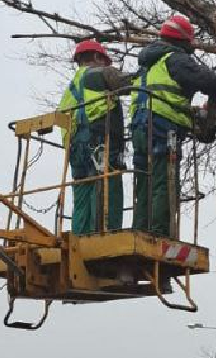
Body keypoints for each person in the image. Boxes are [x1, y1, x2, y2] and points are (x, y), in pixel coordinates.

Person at [129, 14, 216, 238]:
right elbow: (212, 82)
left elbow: (167, 93)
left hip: (139, 128)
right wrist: (215, 98)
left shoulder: (147, 66)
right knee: (165, 180)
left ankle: (141, 230)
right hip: (163, 127)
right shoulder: (175, 58)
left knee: (144, 180)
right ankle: (159, 234)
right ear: (184, 40)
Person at [58, 39, 131, 235]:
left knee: (82, 194)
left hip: (75, 148)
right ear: (98, 57)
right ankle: (107, 235)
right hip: (100, 141)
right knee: (108, 187)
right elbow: (128, 82)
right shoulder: (98, 73)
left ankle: (80, 239)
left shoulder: (70, 89)